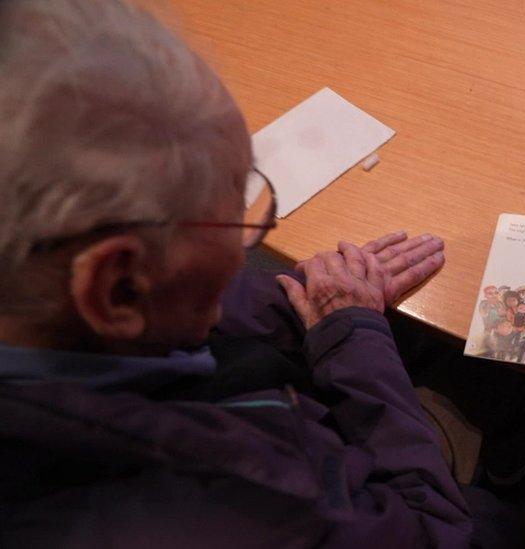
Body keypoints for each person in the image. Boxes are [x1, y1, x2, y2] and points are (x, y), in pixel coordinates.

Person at [0, 1, 469, 546]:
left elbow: (193, 317)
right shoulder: (223, 499)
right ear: (119, 288)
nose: (252, 236)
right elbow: (434, 531)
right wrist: (357, 341)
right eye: (237, 216)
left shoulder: (39, 299)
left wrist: (304, 306)